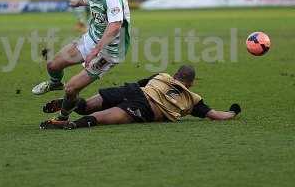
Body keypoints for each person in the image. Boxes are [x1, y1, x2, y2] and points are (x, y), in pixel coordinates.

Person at [32, 0, 131, 126]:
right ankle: (55, 83)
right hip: (91, 39)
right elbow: (90, 0)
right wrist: (78, 3)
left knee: (71, 88)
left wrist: (95, 51)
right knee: (52, 65)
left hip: (108, 51)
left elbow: (115, 26)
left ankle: (62, 118)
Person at [40, 65, 242, 129]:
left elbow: (140, 84)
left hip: (134, 90)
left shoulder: (162, 76)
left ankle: (72, 104)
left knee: (89, 105)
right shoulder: (193, 99)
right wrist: (233, 111)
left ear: (176, 75)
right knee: (104, 117)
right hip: (144, 107)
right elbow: (215, 115)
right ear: (190, 82)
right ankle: (72, 125)